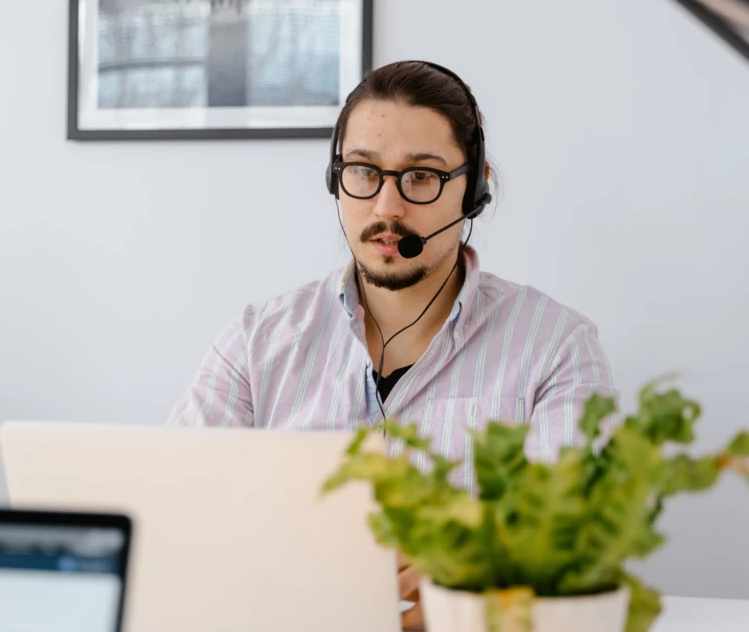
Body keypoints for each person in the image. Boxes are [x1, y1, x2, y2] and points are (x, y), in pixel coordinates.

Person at [167, 60, 618, 630]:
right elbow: (175, 514)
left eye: (422, 177)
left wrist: (469, 578)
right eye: (363, 171)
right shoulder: (256, 342)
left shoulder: (556, 348)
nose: (386, 208)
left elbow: (578, 549)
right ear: (337, 182)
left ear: (473, 190)